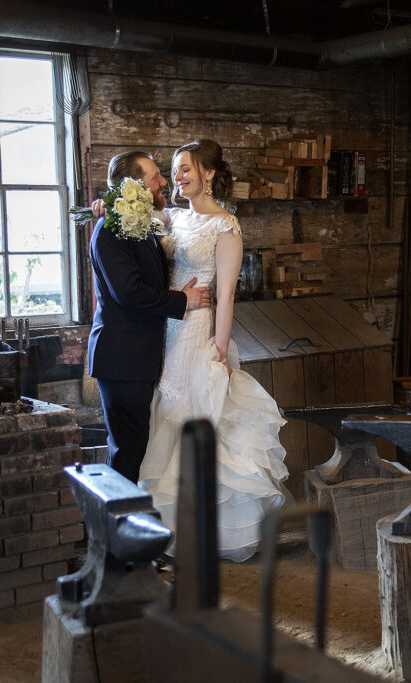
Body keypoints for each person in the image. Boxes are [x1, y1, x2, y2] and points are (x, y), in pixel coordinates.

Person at [139, 139, 289, 562]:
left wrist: (219, 350)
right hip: (166, 325)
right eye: (174, 169)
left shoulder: (226, 226)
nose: (179, 175)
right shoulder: (169, 218)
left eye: (186, 168)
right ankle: (166, 528)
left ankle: (204, 531)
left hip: (197, 330)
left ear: (208, 173)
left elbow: (226, 294)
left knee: (193, 413)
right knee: (165, 410)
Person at [87, 151, 212, 483]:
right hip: (122, 358)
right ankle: (117, 532)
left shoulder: (140, 223)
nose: (163, 182)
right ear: (133, 185)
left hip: (139, 358)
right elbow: (129, 292)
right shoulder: (111, 229)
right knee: (127, 451)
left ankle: (126, 526)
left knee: (135, 447)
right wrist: (181, 300)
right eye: (156, 175)